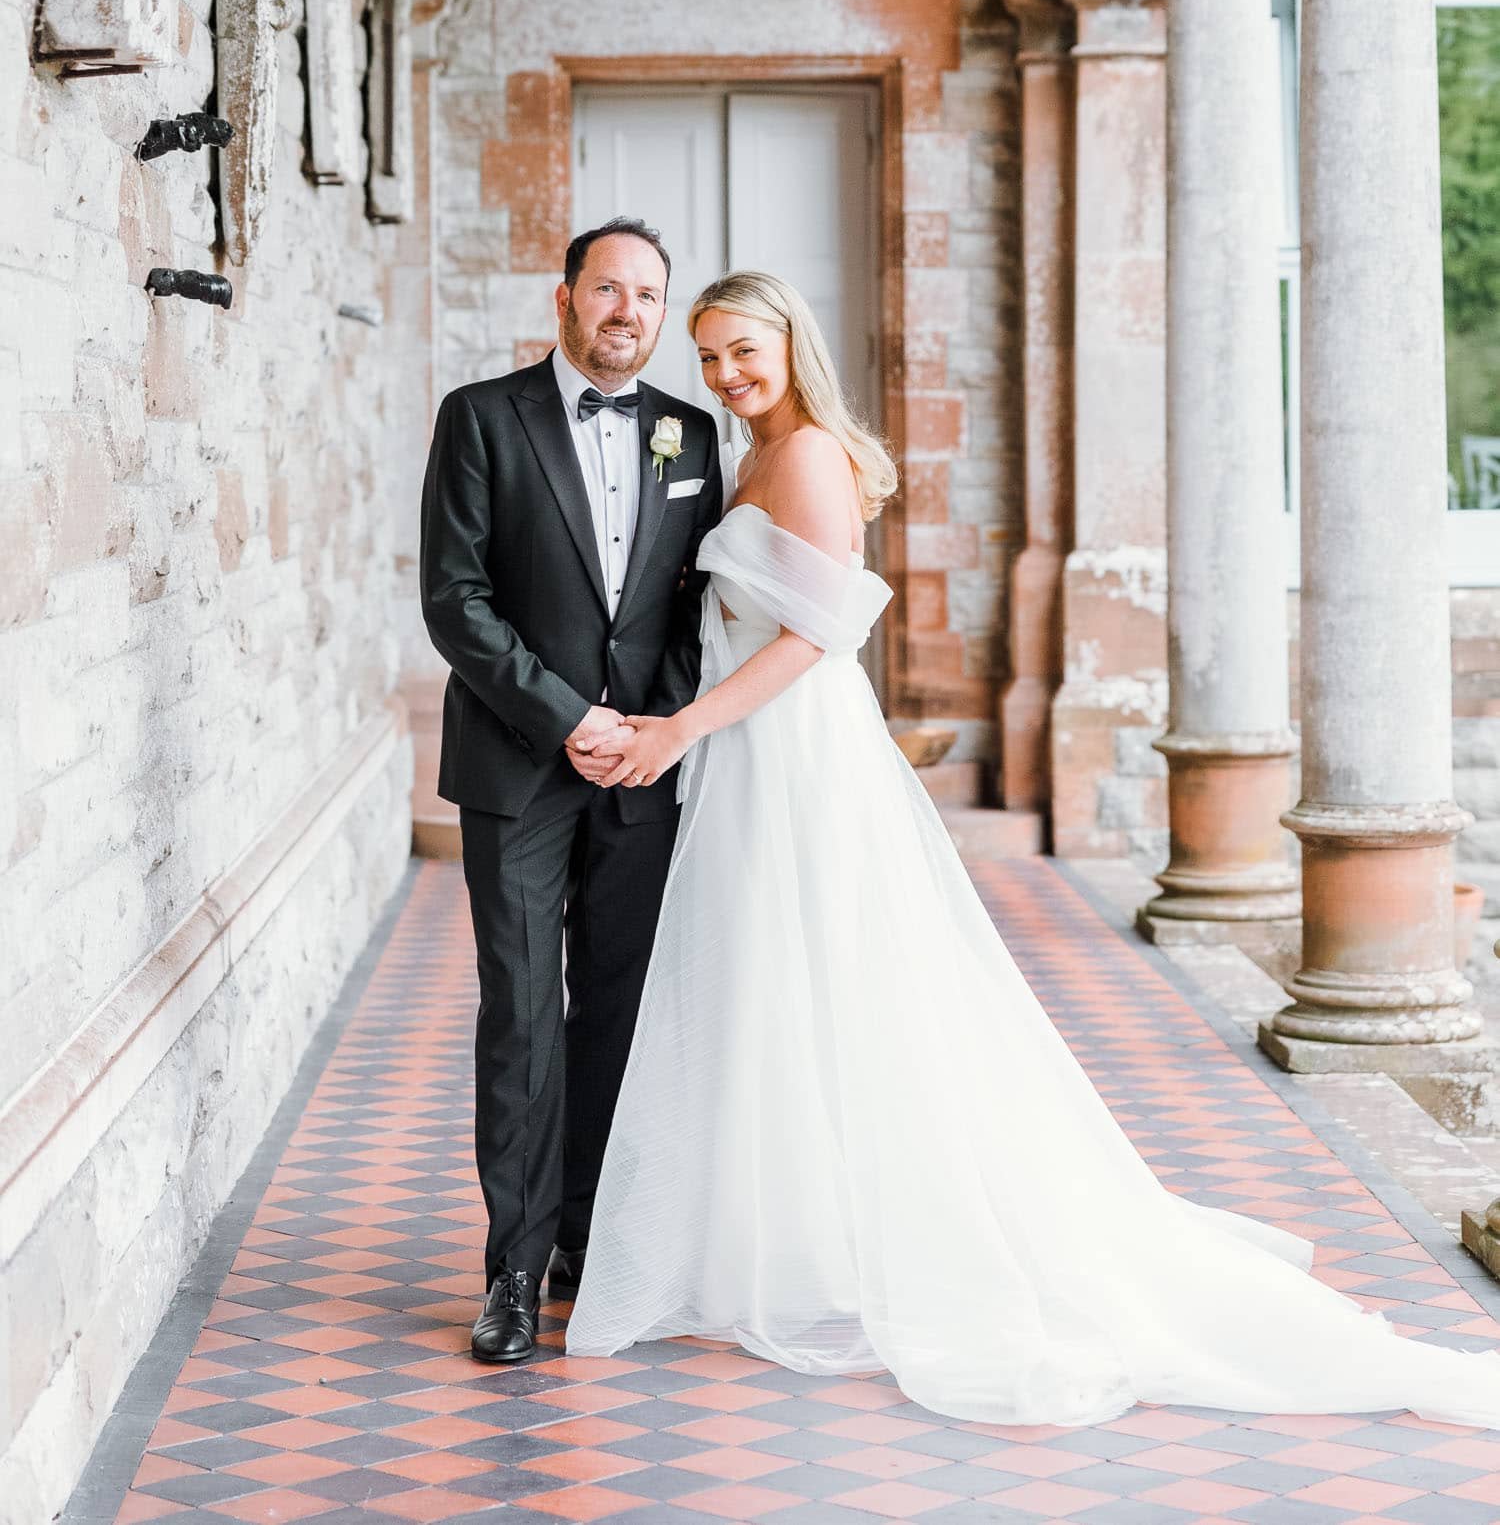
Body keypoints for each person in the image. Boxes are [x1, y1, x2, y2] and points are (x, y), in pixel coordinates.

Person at [564, 267, 1500, 1430]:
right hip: (747, 754)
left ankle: (850, 1232)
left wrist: (682, 730)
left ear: (791, 342)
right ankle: (786, 1222)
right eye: (707, 357)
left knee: (828, 980)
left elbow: (819, 634)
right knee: (771, 984)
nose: (725, 375)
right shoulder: (745, 452)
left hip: (794, 749)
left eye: (742, 350)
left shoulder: (804, 458)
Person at [419, 218, 722, 1366]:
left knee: (618, 1013)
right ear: (565, 297)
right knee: (521, 1013)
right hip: (517, 766)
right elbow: (456, 601)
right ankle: (510, 1264)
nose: (628, 312)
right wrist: (568, 717)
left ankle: (585, 1242)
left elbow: (696, 603)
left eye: (647, 295)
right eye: (609, 289)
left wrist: (652, 726)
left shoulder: (690, 435)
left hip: (642, 773)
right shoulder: (482, 418)